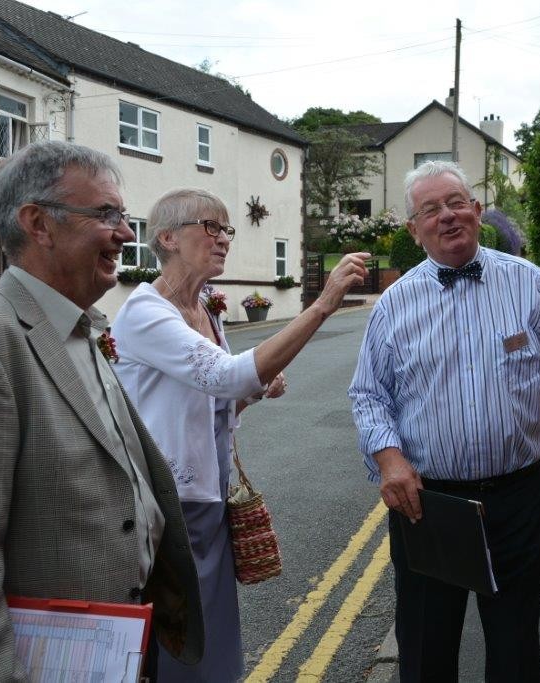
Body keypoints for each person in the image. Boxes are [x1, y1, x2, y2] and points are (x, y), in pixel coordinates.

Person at [348, 161, 540, 682]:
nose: (448, 216)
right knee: (426, 646)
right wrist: (389, 458)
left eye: (457, 202)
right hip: (429, 505)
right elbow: (369, 394)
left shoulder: (526, 282)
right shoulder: (394, 304)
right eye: (430, 209)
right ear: (415, 229)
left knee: (515, 640)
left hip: (517, 498)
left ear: (477, 212)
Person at [0, 141, 203, 680]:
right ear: (38, 224)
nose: (126, 234)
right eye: (107, 215)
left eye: (123, 216)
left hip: (119, 647)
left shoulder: (82, 324)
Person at [110, 187, 368, 681]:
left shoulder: (206, 307)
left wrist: (252, 392)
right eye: (210, 226)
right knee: (184, 646)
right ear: (166, 237)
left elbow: (217, 398)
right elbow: (226, 375)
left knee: (214, 638)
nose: (224, 238)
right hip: (168, 508)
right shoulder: (146, 312)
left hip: (207, 499)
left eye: (226, 228)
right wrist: (322, 306)